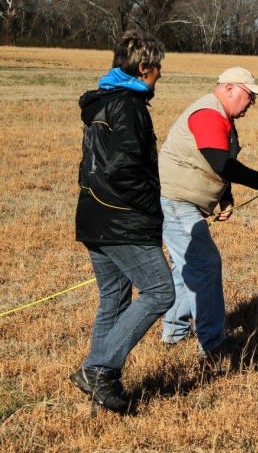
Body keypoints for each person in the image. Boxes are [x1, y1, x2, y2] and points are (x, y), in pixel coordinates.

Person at [71, 30, 175, 413]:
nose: (161, 74)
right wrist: (151, 209)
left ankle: (102, 392)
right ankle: (98, 368)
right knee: (161, 291)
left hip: (93, 217)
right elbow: (123, 169)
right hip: (122, 220)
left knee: (113, 300)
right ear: (144, 68)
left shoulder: (102, 103)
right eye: (158, 67)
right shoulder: (129, 106)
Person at [159, 66, 258, 357]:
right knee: (205, 265)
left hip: (183, 201)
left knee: (186, 267)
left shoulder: (222, 116)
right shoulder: (208, 114)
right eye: (248, 95)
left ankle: (175, 332)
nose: (251, 103)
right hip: (176, 201)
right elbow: (222, 164)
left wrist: (224, 195)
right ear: (229, 88)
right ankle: (213, 345)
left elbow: (213, 162)